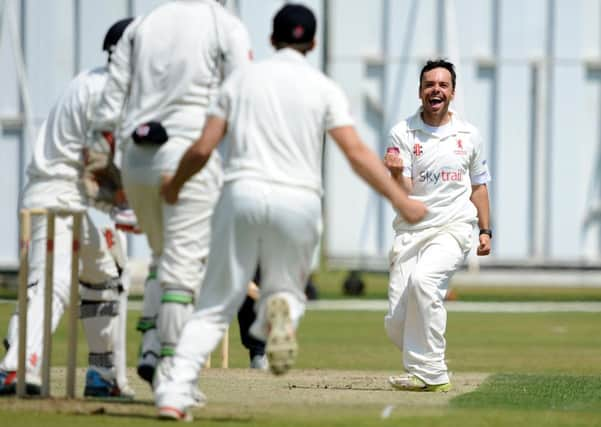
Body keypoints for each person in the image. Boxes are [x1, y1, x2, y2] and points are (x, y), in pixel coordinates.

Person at [154, 3, 427, 420]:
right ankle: (277, 314)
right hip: (299, 200)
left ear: (270, 38)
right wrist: (400, 199)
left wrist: (173, 186)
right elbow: (354, 153)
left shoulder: (240, 81)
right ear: (312, 43)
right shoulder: (323, 87)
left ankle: (174, 392)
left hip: (241, 192)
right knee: (289, 290)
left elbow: (204, 147)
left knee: (215, 302)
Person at [90, 0, 253, 387]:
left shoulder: (141, 25)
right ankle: (173, 380)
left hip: (136, 161)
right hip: (188, 157)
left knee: (163, 257)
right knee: (184, 270)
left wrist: (102, 162)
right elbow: (241, 96)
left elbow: (111, 103)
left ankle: (150, 346)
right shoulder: (224, 25)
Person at [0, 18, 137, 398]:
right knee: (54, 283)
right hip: (56, 196)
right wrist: (128, 206)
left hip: (73, 199)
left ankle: (101, 373)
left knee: (105, 273)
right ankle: (15, 368)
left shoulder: (93, 80)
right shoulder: (107, 91)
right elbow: (97, 163)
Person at [383, 59, 492, 392]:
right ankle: (422, 368)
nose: (436, 90)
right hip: (412, 230)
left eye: (443, 85)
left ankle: (433, 372)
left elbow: (479, 186)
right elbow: (403, 193)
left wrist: (486, 231)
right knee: (396, 323)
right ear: (420, 92)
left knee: (424, 281)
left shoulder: (469, 135)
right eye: (430, 84)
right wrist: (396, 173)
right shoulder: (402, 132)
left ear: (453, 93)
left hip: (453, 226)